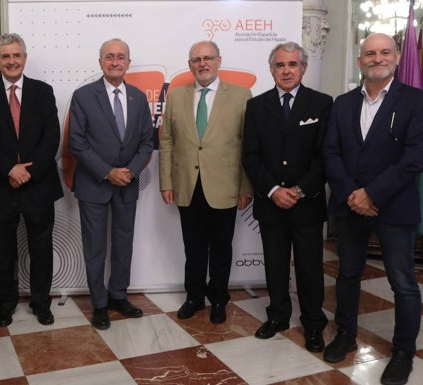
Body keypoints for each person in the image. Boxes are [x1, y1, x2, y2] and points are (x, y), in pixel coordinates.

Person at [323, 32, 423, 385]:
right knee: (348, 273)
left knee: (402, 282)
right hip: (349, 205)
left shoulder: (415, 101)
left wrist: (373, 194)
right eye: (369, 53)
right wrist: (353, 194)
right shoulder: (343, 102)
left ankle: (402, 352)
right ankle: (345, 333)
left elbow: (414, 158)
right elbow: (330, 152)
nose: (377, 58)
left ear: (396, 57)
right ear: (359, 60)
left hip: (394, 207)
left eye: (384, 52)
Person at [242, 42, 332, 352]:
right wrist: (273, 190)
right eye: (280, 65)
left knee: (309, 267)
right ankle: (278, 316)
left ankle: (313, 324)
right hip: (271, 203)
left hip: (306, 204)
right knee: (275, 265)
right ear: (271, 69)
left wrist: (297, 190)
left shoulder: (322, 104)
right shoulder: (257, 105)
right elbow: (250, 156)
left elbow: (325, 157)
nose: (286, 70)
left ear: (303, 68)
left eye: (293, 64)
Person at [0, 33, 63, 327]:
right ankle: (5, 304)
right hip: (0, 185)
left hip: (39, 184)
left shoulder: (43, 92)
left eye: (17, 55)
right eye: (6, 56)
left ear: (25, 58)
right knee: (1, 250)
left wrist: (28, 172)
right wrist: (11, 169)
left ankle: (41, 303)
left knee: (41, 249)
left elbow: (52, 139)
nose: (12, 61)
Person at [159, 40, 252, 324]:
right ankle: (194, 297)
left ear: (218, 61)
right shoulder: (175, 96)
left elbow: (248, 144)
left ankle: (219, 298)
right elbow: (167, 141)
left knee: (222, 247)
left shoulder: (240, 95)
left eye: (208, 58)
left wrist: (246, 187)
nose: (202, 64)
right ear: (190, 65)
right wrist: (166, 182)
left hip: (225, 186)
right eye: (196, 59)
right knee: (193, 247)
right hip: (187, 185)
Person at [68, 38, 153, 330]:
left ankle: (118, 294)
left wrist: (128, 171)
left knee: (123, 244)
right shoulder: (83, 95)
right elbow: (76, 142)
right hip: (94, 184)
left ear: (128, 62)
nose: (115, 61)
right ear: (100, 62)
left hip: (127, 184)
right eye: (109, 57)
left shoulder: (139, 98)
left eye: (120, 57)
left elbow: (146, 142)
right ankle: (99, 303)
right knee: (94, 248)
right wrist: (108, 172)